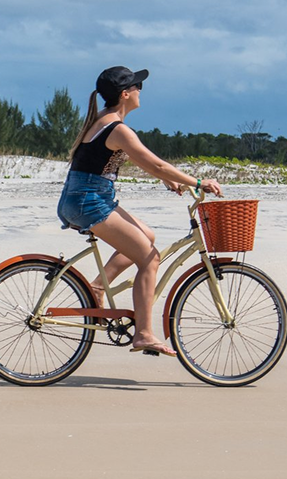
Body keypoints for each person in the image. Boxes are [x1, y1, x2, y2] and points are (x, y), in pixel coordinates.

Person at [57, 66, 223, 357]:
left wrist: (166, 178)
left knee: (147, 235)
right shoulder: (118, 129)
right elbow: (155, 162)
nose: (140, 92)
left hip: (86, 197)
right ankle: (144, 334)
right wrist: (199, 182)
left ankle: (97, 288)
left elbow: (131, 160)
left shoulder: (104, 121)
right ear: (125, 94)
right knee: (150, 257)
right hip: (88, 201)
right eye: (137, 87)